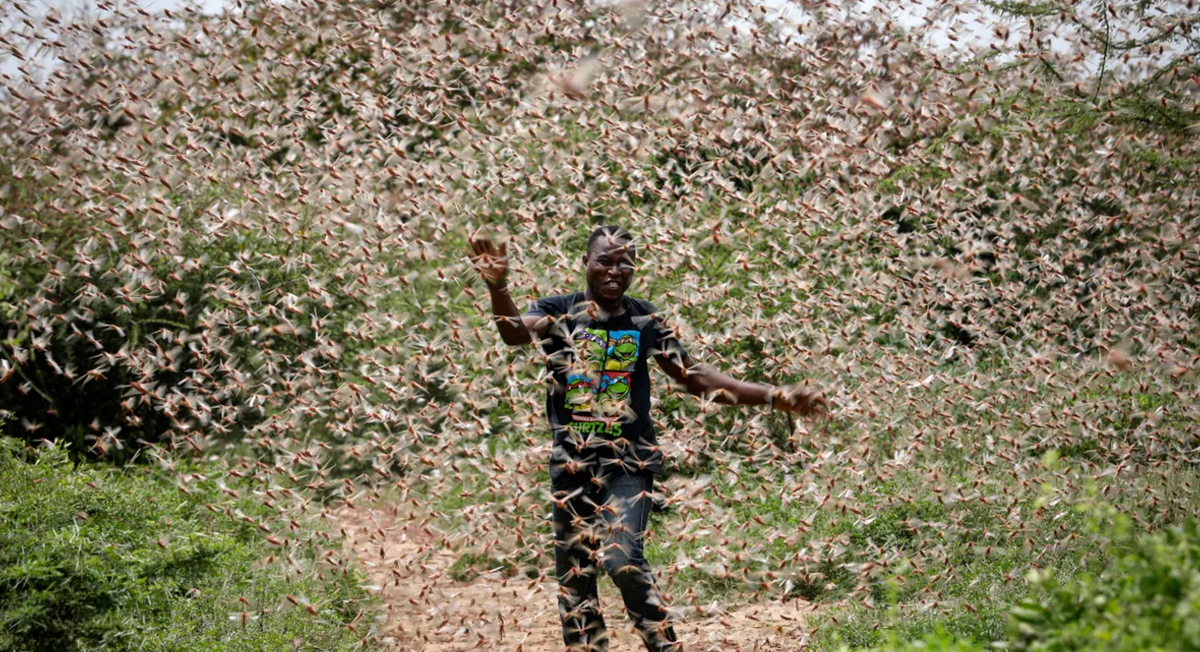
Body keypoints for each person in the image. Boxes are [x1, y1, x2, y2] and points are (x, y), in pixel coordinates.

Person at [467, 225, 827, 652]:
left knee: (622, 559)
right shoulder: (558, 311)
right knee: (576, 579)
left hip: (628, 463)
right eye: (605, 260)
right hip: (571, 465)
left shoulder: (645, 320)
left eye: (624, 262)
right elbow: (513, 333)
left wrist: (771, 396)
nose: (614, 270)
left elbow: (695, 378)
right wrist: (499, 285)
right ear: (585, 264)